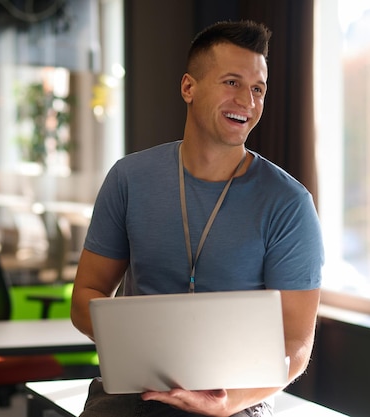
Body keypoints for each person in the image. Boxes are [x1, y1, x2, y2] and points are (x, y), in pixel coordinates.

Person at [71, 19, 323, 417]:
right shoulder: (129, 178)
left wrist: (227, 402)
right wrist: (139, 353)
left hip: (234, 403)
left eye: (258, 89)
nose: (248, 101)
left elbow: (295, 346)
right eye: (232, 82)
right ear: (189, 87)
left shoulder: (289, 204)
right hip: (133, 394)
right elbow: (85, 296)